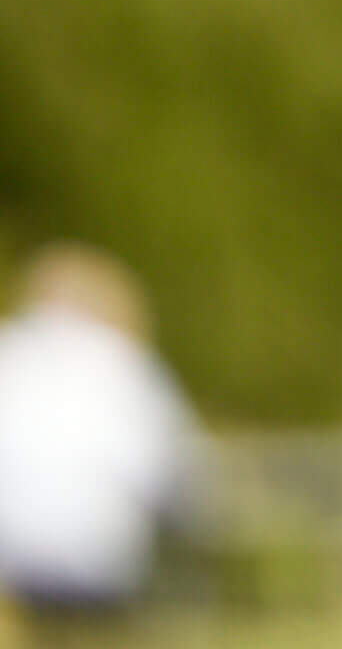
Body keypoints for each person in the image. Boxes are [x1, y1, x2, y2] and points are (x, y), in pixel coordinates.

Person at [0, 245, 204, 618]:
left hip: (12, 568)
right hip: (100, 569)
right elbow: (177, 475)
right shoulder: (125, 362)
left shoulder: (9, 350)